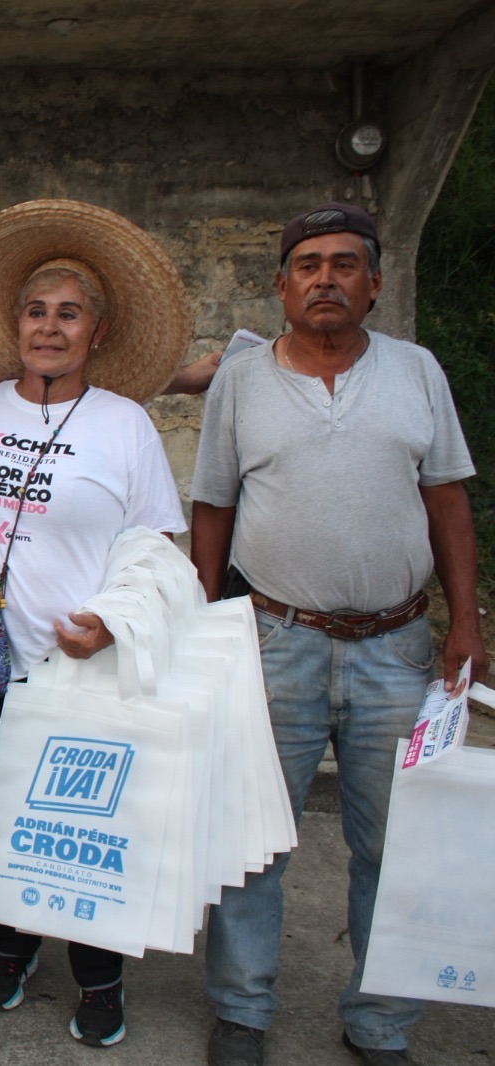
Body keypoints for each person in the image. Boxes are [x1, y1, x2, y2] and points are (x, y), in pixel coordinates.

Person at [190, 202, 487, 1066]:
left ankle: (380, 1022)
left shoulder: (416, 370)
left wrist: (465, 621)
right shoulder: (241, 382)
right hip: (275, 639)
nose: (327, 279)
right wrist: (209, 629)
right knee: (251, 841)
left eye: (345, 264)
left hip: (395, 648)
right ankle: (242, 1010)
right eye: (309, 265)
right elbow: (212, 507)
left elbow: (447, 498)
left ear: (376, 282)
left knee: (392, 848)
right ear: (282, 287)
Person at [0, 199, 192, 1048]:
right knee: (0, 810)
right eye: (36, 311)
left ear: (98, 328)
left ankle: (98, 973)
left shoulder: (125, 426)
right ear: (16, 322)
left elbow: (156, 545)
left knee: (86, 824)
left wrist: (115, 625)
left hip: (81, 664)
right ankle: (11, 948)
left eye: (68, 313)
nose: (49, 328)